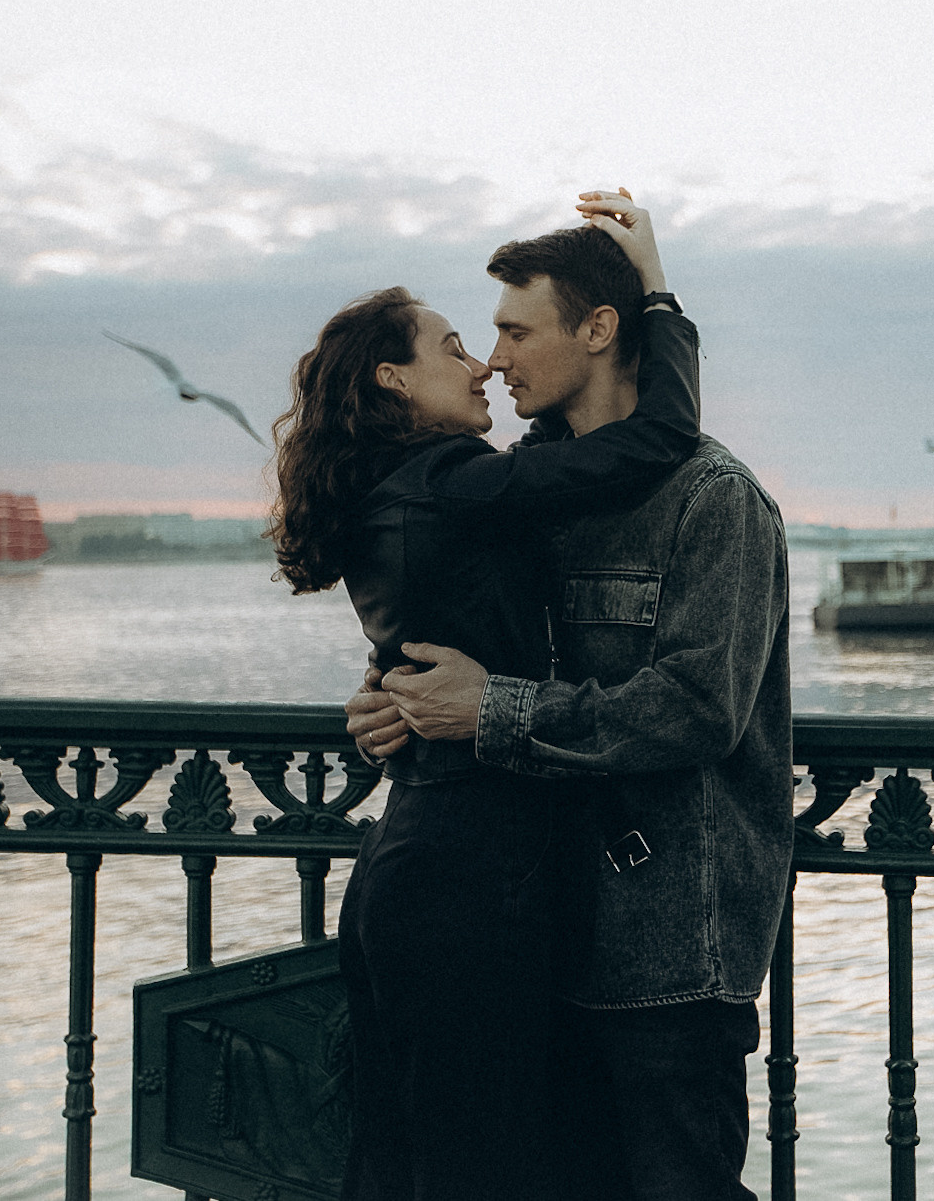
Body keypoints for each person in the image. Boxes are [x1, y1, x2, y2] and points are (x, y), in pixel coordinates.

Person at [267, 189, 699, 1201]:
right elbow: (659, 437)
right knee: (484, 1165)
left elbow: (434, 629)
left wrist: (380, 701)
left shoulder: (398, 491)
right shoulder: (450, 480)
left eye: (499, 338)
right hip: (467, 884)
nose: (483, 364)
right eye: (457, 345)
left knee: (405, 1158)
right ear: (394, 379)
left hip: (420, 865)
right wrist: (659, 297)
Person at [351, 224, 790, 1201]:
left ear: (597, 327)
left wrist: (487, 709)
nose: (495, 357)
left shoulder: (712, 499)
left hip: (667, 955)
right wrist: (395, 694)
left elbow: (694, 709)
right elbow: (468, 631)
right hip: (531, 930)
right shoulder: (522, 488)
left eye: (513, 329)